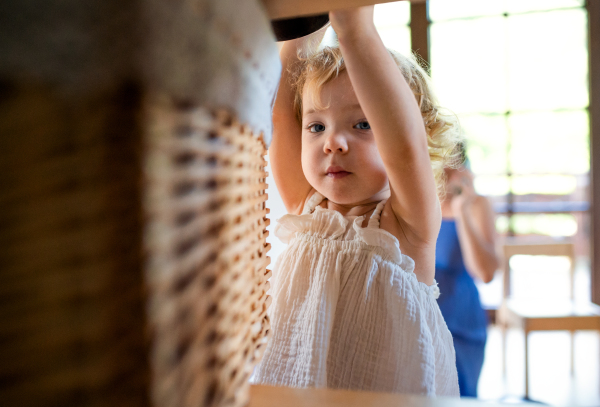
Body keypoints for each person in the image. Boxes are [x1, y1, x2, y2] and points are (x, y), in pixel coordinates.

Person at [252, 7, 461, 396]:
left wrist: (354, 27)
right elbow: (282, 116)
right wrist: (303, 20)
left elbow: (404, 149)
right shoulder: (307, 208)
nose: (333, 142)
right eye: (316, 126)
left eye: (363, 124)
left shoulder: (406, 227)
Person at [436, 150, 500, 397]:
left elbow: (485, 273)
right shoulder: (418, 203)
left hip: (462, 321)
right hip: (423, 315)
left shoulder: (477, 204)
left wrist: (462, 210)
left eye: (454, 167)